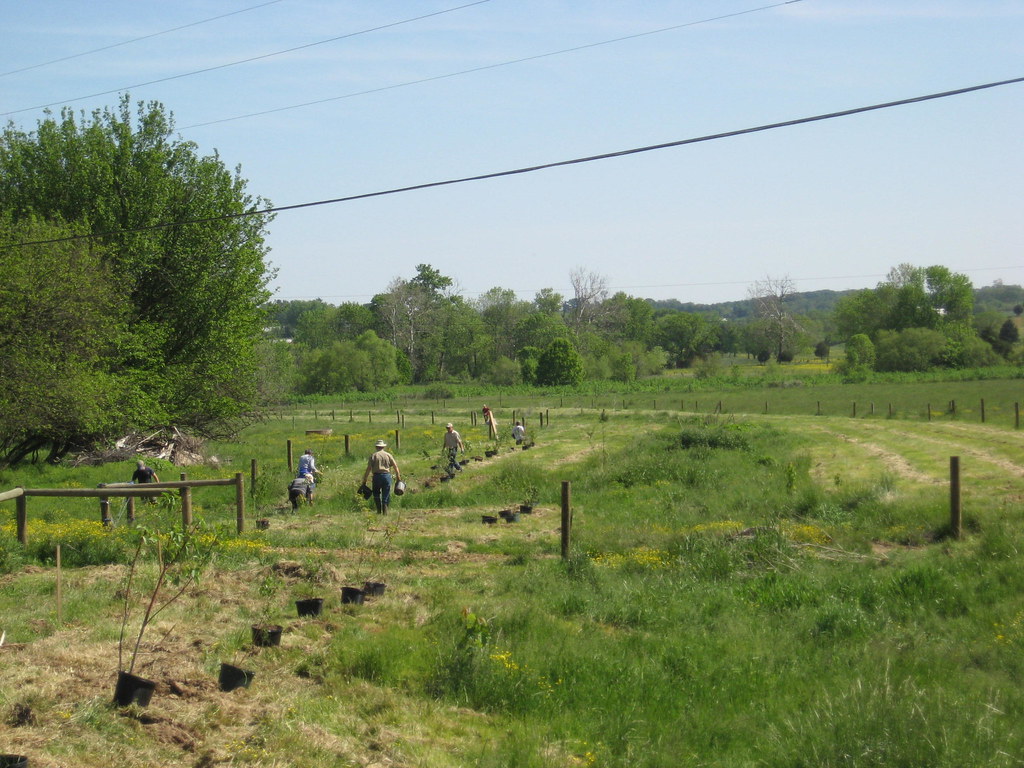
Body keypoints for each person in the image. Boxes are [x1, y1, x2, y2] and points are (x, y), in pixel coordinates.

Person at [361, 439, 401, 514]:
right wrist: (398, 477)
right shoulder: (388, 455)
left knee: (376, 493)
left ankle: (379, 510)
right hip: (386, 476)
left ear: (376, 447)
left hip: (376, 476)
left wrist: (365, 480)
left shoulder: (373, 456)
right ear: (383, 447)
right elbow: (395, 466)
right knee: (386, 493)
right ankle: (385, 509)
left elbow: (368, 469)